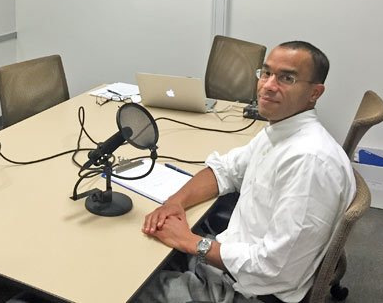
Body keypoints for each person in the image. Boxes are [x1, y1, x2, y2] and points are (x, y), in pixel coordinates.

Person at [137, 41, 355, 303]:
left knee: (121, 288)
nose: (269, 85)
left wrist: (191, 242)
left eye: (287, 78)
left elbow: (276, 272)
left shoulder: (309, 162)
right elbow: (226, 170)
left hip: (247, 291)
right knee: (138, 252)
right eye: (266, 73)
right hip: (230, 260)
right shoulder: (280, 131)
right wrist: (176, 203)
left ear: (314, 92)